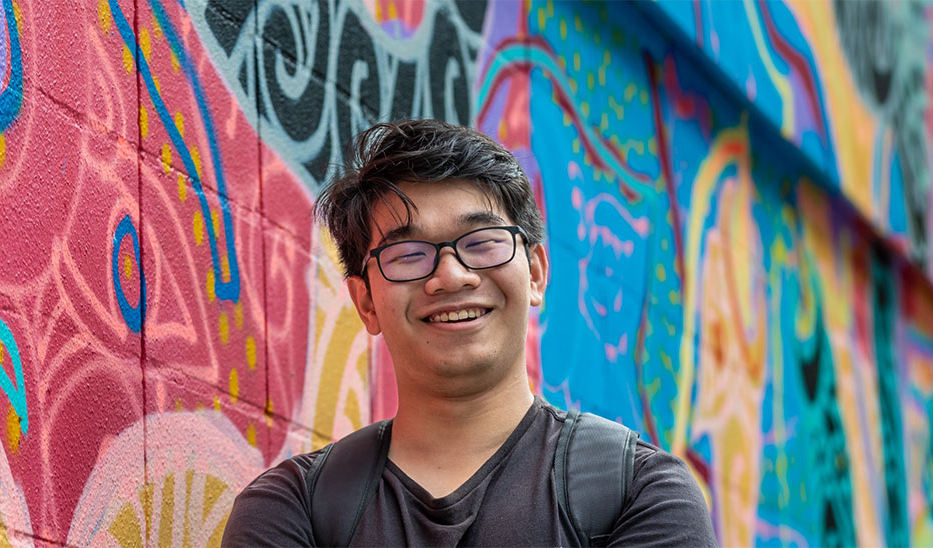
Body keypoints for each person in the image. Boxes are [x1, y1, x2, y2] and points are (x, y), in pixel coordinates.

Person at [222, 119, 717, 547]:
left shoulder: (641, 492)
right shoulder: (291, 510)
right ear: (366, 302)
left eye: (482, 242)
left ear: (537, 273)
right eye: (408, 255)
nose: (451, 276)